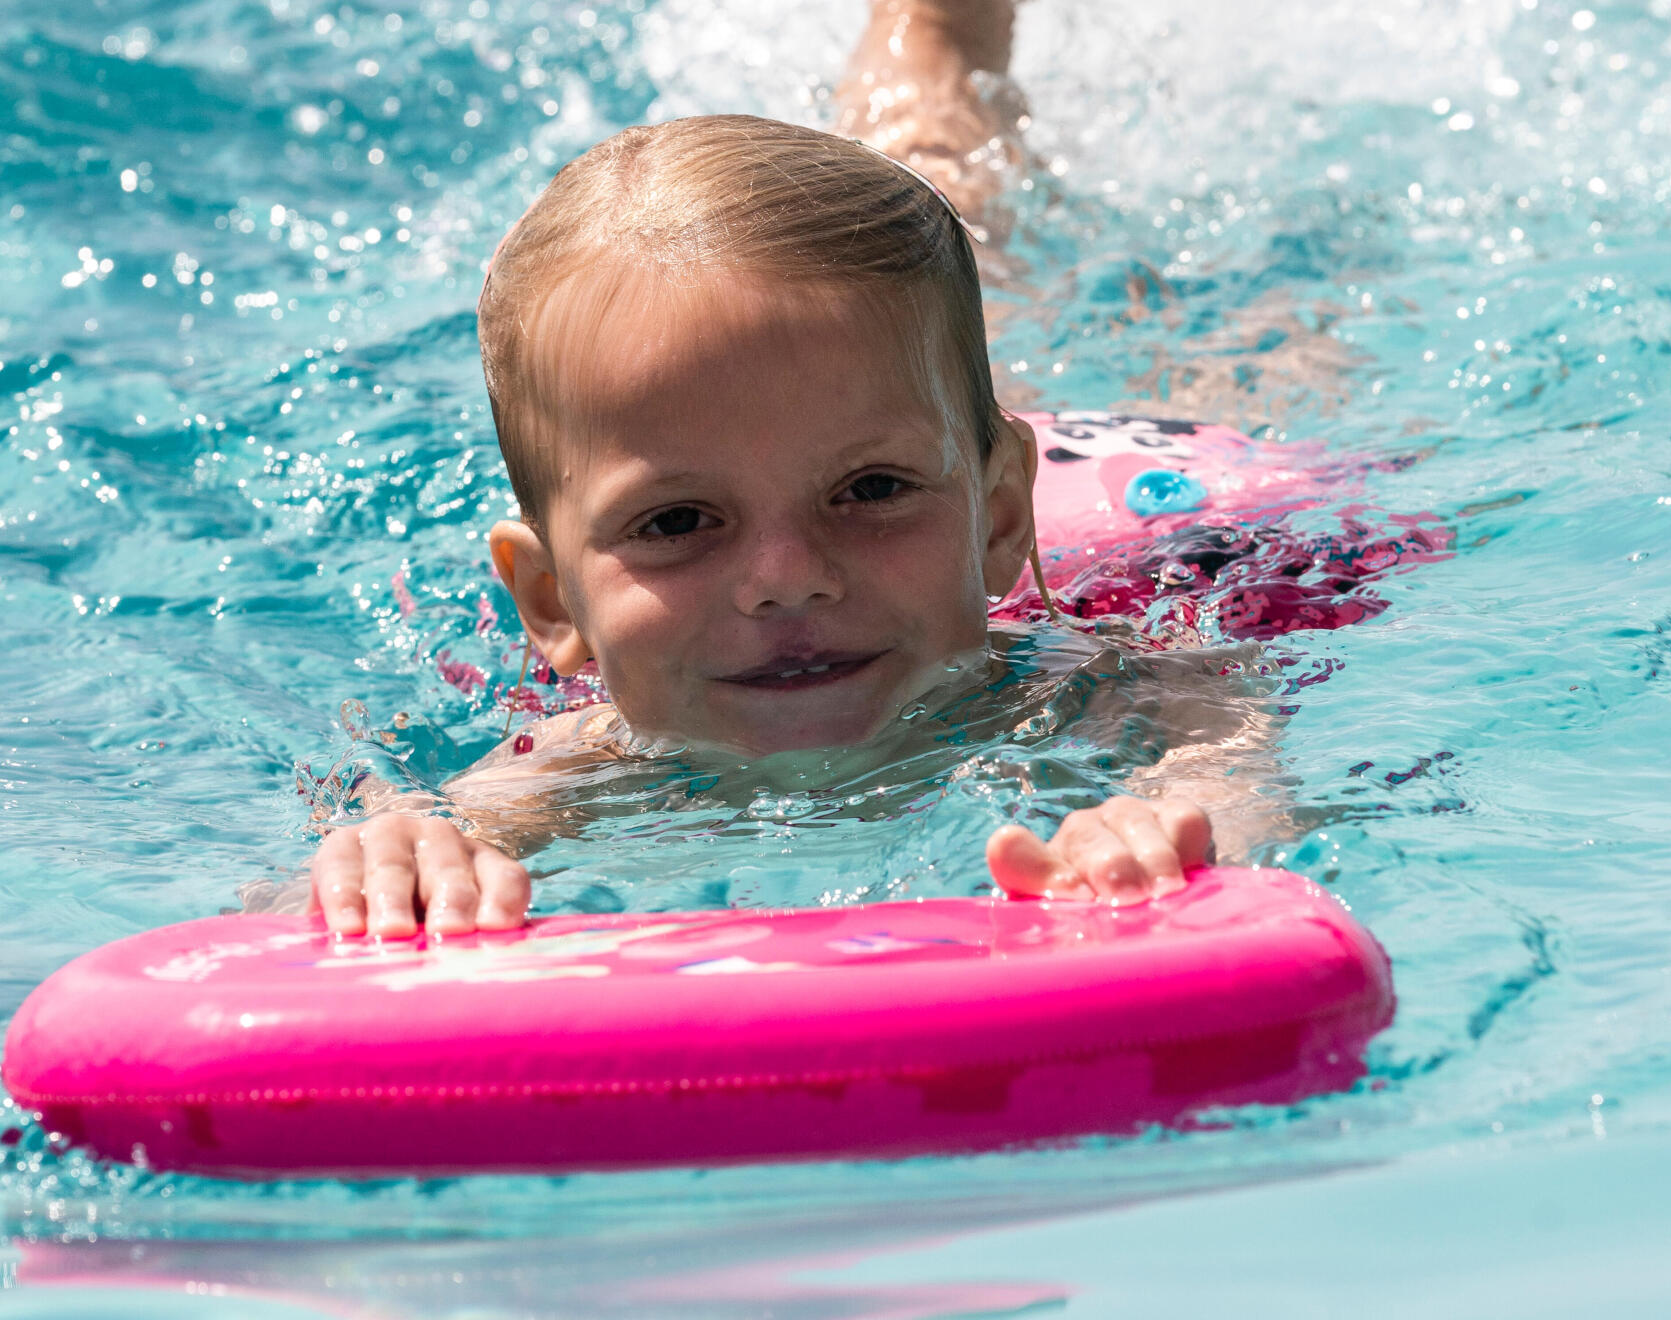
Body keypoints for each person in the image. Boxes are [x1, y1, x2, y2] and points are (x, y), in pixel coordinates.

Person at [305, 1, 1250, 939]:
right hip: (914, 420)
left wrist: (1166, 827)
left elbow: (1228, 768)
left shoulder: (1107, 691)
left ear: (1001, 520)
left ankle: (934, 41)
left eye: (871, 492)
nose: (788, 579)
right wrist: (398, 854)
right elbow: (341, 882)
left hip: (1142, 511)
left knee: (1173, 325)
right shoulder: (565, 774)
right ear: (553, 602)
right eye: (676, 522)